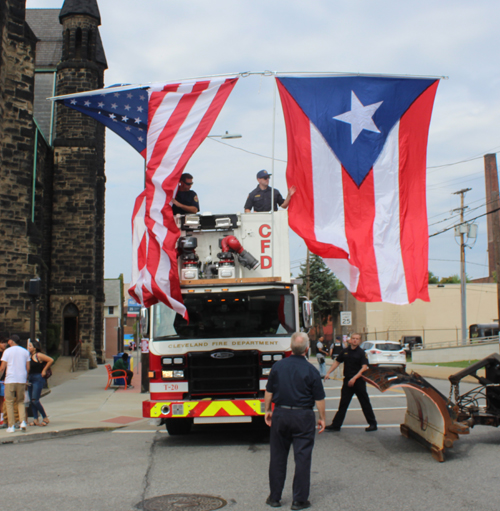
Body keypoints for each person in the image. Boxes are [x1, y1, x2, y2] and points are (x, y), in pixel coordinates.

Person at [265, 332, 326, 510]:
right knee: (302, 457)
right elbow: (319, 398)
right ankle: (299, 500)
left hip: (281, 414)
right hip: (303, 416)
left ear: (291, 348)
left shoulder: (277, 367)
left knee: (277, 457)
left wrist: (268, 410)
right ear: (307, 349)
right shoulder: (311, 370)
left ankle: (274, 497)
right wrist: (322, 418)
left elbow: (269, 391)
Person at [324, 333, 377, 432]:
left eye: (357, 339)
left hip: (358, 381)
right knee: (343, 403)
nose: (355, 340)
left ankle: (372, 424)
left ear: (359, 341)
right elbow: (337, 362)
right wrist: (328, 372)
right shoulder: (345, 352)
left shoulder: (361, 353)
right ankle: (336, 425)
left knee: (365, 402)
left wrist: (354, 378)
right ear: (350, 340)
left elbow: (364, 367)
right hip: (347, 381)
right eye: (353, 338)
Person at [0, 335, 30, 433]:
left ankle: (11, 425)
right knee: (20, 401)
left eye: (9, 340)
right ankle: (22, 422)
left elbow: (2, 367)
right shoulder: (25, 352)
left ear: (11, 341)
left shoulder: (7, 351)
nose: (7, 341)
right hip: (21, 379)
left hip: (10, 379)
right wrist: (25, 377)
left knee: (9, 402)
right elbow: (28, 367)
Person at [27, 340, 53, 427]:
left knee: (35, 399)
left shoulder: (38, 355)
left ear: (35, 347)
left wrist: (44, 370)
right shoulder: (29, 356)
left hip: (38, 377)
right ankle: (35, 419)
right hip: (30, 378)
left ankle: (45, 417)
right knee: (32, 400)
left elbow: (50, 360)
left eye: (30, 346)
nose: (28, 347)